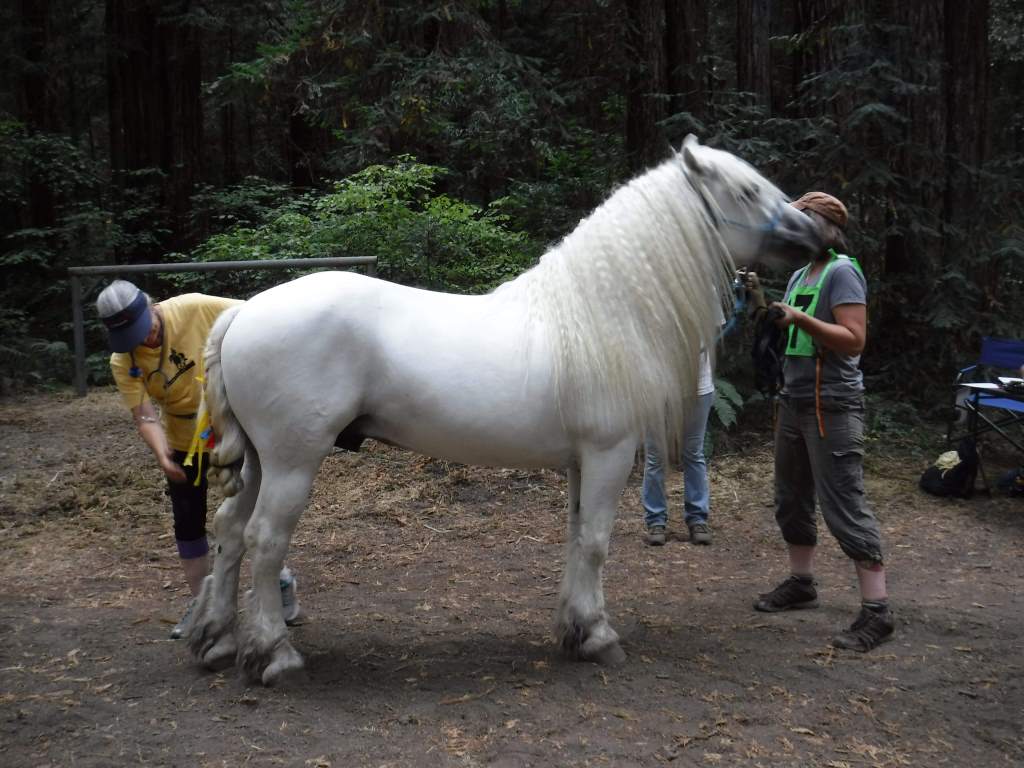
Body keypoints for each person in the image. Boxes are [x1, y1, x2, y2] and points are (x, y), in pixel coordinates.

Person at [96, 280, 300, 638]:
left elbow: (253, 319)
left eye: (145, 328)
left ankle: (280, 582)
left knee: (251, 514)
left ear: (151, 306)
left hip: (230, 432)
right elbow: (144, 415)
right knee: (188, 523)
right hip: (182, 442)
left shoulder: (194, 308)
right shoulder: (123, 360)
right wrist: (162, 454)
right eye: (132, 337)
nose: (145, 340)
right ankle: (204, 604)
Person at [746, 192, 895, 652]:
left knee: (844, 504)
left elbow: (854, 339)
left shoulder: (842, 271)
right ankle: (802, 583)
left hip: (832, 406)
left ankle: (877, 611)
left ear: (822, 227)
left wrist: (799, 318)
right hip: (793, 402)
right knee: (791, 499)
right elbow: (791, 327)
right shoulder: (799, 274)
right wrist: (763, 305)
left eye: (800, 221)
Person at [641, 348, 715, 546]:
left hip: (698, 387)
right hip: (656, 388)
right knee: (656, 456)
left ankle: (698, 520)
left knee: (693, 453)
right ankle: (655, 522)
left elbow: (710, 336)